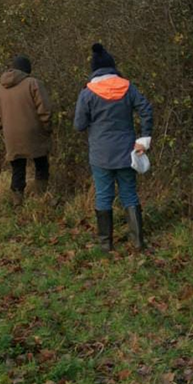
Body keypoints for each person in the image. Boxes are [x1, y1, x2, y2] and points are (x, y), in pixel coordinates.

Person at [74, 43, 153, 252]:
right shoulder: (128, 87)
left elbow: (79, 125)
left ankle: (105, 244)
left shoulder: (88, 93)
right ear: (112, 67)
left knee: (103, 195)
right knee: (129, 194)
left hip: (100, 153)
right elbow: (146, 110)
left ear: (94, 70)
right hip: (127, 152)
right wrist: (144, 138)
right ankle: (137, 242)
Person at [0, 55, 53, 206]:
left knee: (18, 168)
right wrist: (46, 128)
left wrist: (4, 128)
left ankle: (17, 200)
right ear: (27, 70)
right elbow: (45, 109)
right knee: (41, 163)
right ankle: (41, 197)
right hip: (34, 131)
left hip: (11, 134)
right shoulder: (33, 83)